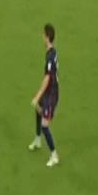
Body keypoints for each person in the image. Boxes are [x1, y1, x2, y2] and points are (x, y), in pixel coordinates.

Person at [29, 23, 60, 167]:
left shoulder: (50, 56)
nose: (42, 36)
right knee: (38, 109)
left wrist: (37, 96)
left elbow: (47, 78)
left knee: (45, 125)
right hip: (49, 90)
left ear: (47, 37)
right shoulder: (51, 51)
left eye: (43, 34)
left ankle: (54, 155)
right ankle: (37, 139)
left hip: (51, 93)